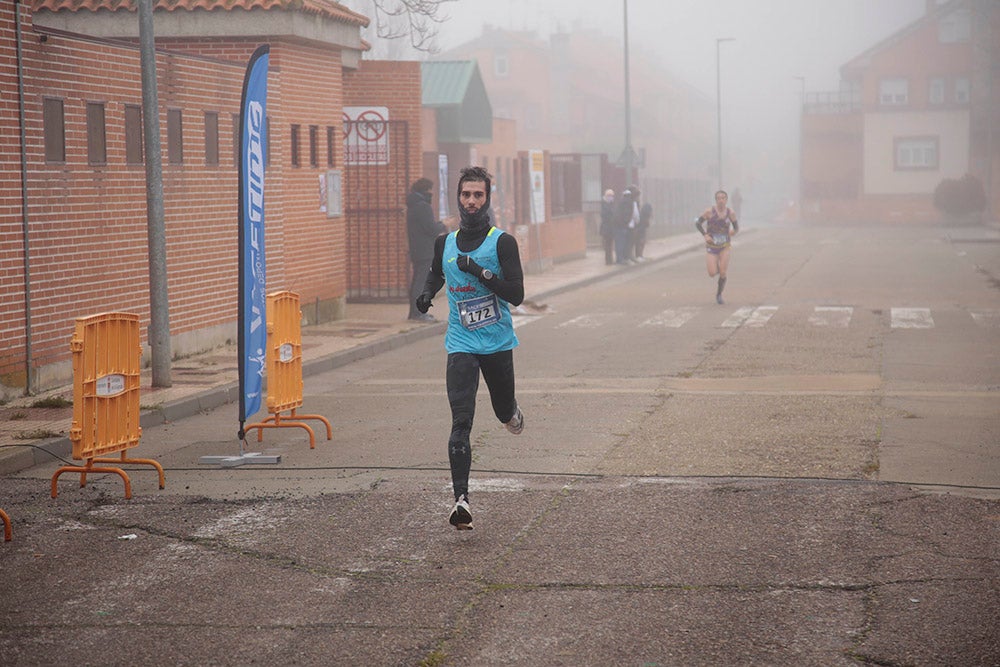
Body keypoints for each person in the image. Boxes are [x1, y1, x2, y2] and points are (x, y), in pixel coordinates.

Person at [415, 166, 526, 530]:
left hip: (496, 342)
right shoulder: (444, 243)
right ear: (458, 198)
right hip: (461, 342)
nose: (472, 202)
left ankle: (511, 412)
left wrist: (480, 272)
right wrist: (428, 292)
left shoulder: (502, 242)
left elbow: (517, 295)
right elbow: (436, 271)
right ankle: (460, 500)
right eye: (466, 195)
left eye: (478, 195)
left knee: (500, 410)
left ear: (487, 199)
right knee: (461, 420)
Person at [406, 178, 448, 322]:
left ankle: (414, 312)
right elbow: (431, 228)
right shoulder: (423, 206)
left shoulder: (413, 205)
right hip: (425, 249)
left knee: (417, 280)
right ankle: (418, 313)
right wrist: (443, 224)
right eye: (431, 190)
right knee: (421, 281)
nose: (432, 193)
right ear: (426, 190)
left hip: (417, 248)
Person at [696, 189, 740, 304]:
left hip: (724, 246)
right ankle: (716, 268)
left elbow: (736, 228)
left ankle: (719, 294)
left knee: (723, 272)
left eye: (723, 198)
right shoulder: (709, 211)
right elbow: (697, 223)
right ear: (716, 200)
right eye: (718, 198)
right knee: (712, 273)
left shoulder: (731, 213)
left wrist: (733, 232)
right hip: (712, 246)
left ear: (726, 200)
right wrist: (705, 235)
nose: (721, 200)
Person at [613, 186, 639, 264]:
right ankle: (622, 259)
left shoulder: (623, 201)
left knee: (622, 243)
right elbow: (630, 214)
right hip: (624, 225)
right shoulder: (629, 202)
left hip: (621, 225)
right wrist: (626, 222)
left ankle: (622, 258)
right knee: (623, 243)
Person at [599, 188, 616, 265]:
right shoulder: (604, 204)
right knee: (607, 245)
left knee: (610, 244)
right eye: (609, 195)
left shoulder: (611, 204)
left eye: (612, 196)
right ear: (606, 196)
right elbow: (605, 215)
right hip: (606, 228)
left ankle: (610, 259)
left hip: (611, 228)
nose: (611, 197)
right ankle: (608, 260)